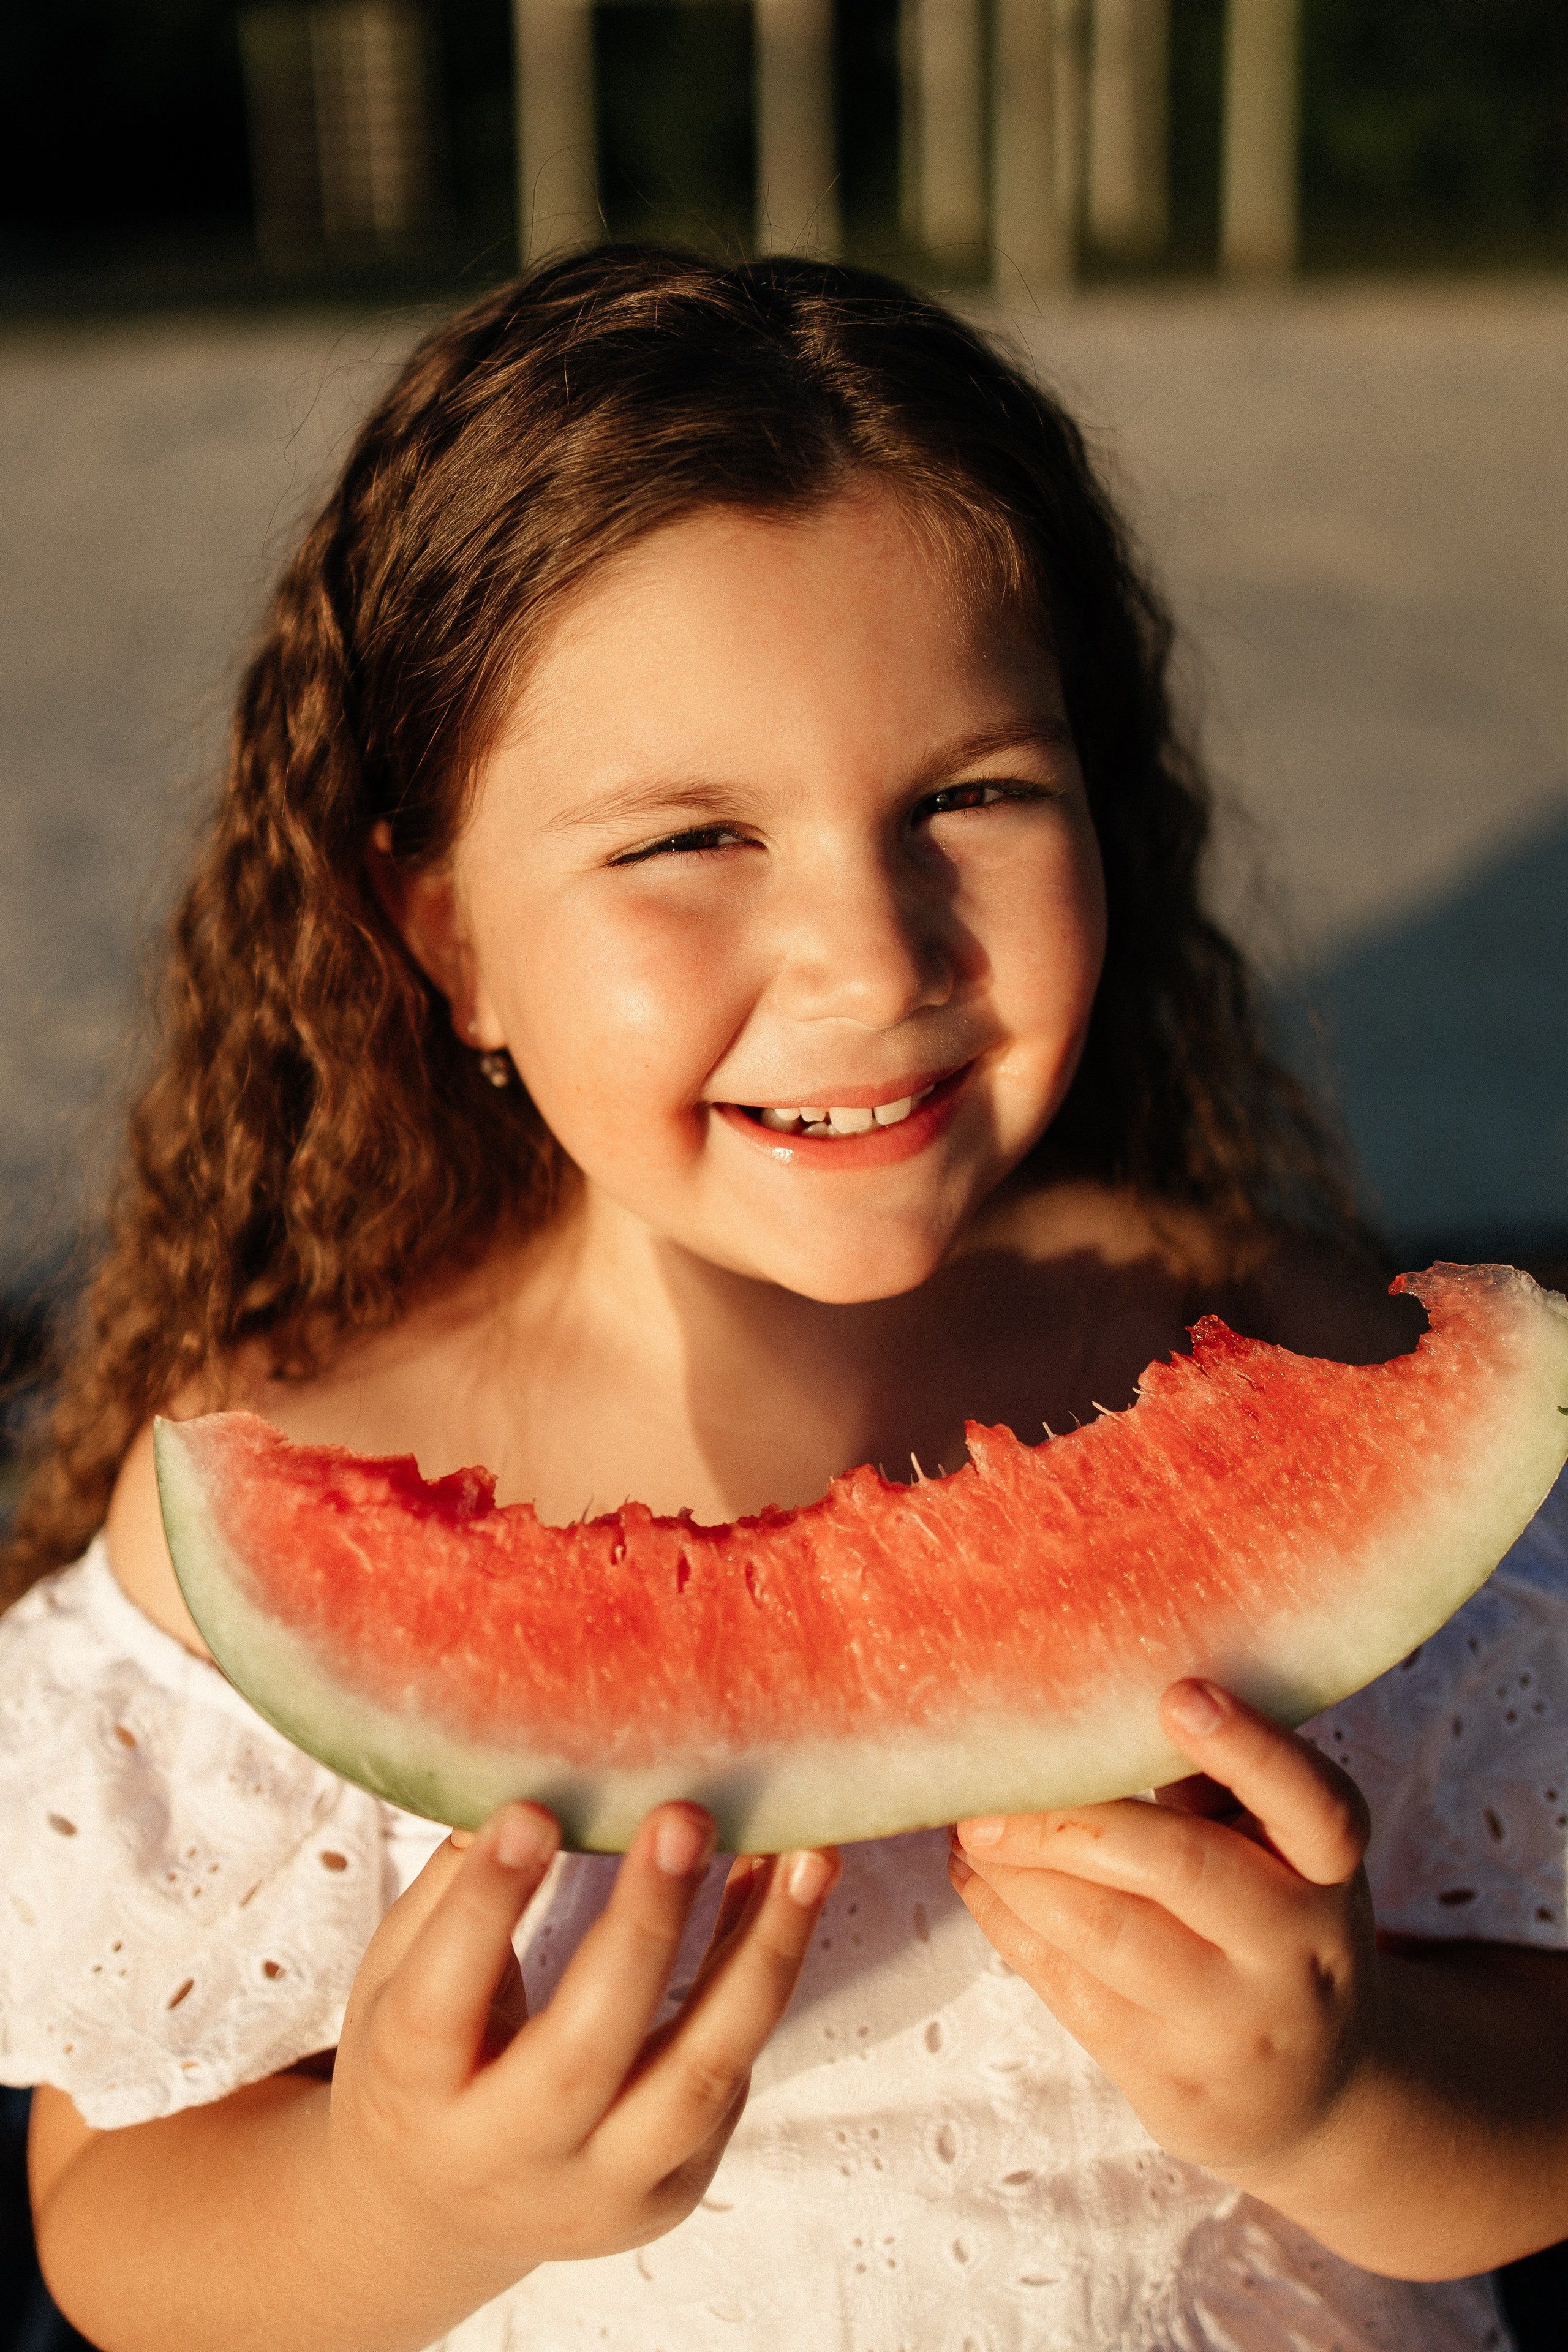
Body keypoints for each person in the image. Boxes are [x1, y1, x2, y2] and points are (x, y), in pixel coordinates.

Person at [1, 247, 1564, 2352]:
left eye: (974, 797)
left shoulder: (1314, 1357)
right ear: (446, 932)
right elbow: (113, 2225)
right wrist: (390, 2203)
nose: (869, 956)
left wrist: (1352, 2086)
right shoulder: (280, 1491)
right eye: (690, 838)